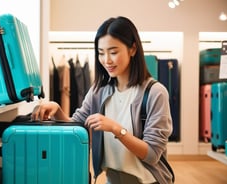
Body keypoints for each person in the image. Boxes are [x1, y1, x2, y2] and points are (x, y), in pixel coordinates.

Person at [32, 16, 173, 184]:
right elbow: (76, 127)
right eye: (101, 53)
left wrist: (116, 129)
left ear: (133, 49)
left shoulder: (155, 93)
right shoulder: (99, 91)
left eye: (113, 52)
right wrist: (57, 109)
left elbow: (152, 154)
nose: (107, 60)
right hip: (112, 180)